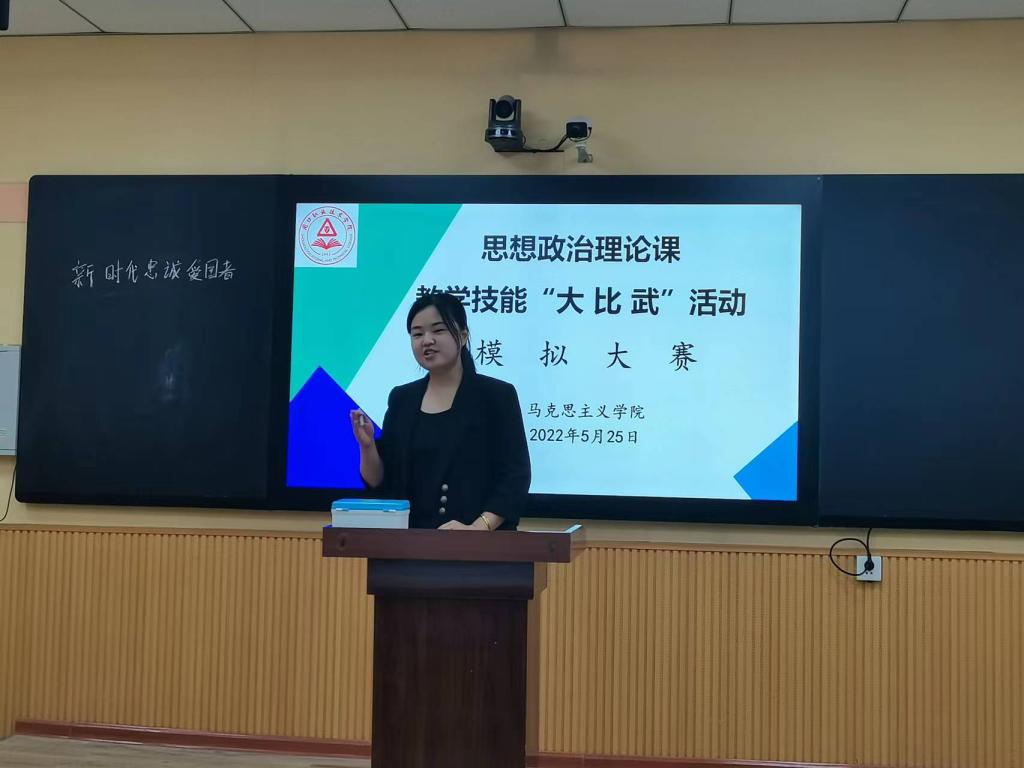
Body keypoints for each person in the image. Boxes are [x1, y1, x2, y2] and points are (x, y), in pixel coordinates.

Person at [349, 292, 530, 530]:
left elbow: (515, 475)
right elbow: (380, 481)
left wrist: (478, 528)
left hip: (479, 544)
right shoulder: (402, 399)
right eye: (417, 334)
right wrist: (367, 446)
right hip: (407, 542)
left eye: (438, 330)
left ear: (463, 336)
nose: (427, 340)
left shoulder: (496, 396)